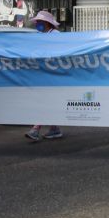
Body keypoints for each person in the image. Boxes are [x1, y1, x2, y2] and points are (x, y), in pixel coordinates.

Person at [25, 10, 64, 142]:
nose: (36, 24)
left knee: (45, 100)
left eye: (39, 22)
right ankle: (54, 129)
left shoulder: (57, 35)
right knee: (46, 100)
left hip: (54, 74)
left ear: (46, 23)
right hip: (42, 73)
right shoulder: (39, 35)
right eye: (36, 22)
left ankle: (36, 129)